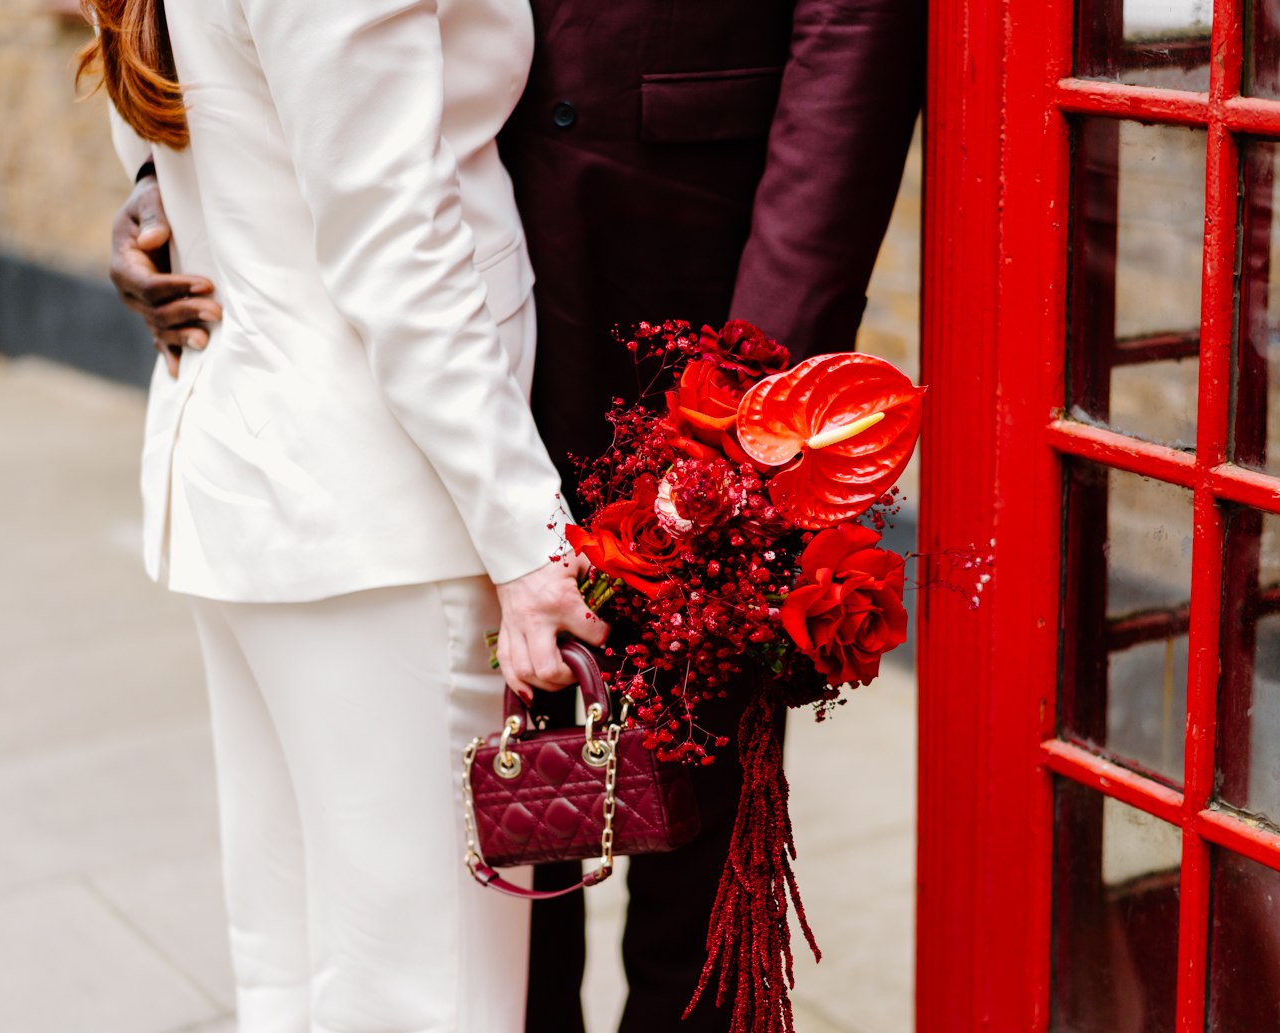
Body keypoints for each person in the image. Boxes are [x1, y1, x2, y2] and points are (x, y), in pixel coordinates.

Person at [109, 1, 924, 1028]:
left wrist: (751, 407)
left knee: (692, 827)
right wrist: (182, 176)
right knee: (475, 874)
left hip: (683, 298)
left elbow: (853, 26)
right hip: (430, 362)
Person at [80, 0, 607, 1030]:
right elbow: (395, 243)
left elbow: (165, 124)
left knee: (294, 972)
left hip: (251, 478)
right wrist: (526, 540)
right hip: (377, 509)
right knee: (426, 997)